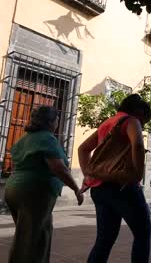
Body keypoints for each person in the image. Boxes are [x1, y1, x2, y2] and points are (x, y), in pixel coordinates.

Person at [78, 94, 151, 263]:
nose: (143, 125)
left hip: (100, 189)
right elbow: (138, 145)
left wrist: (88, 175)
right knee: (143, 233)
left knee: (104, 240)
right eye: (144, 121)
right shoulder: (132, 121)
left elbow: (83, 149)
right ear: (139, 112)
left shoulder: (107, 123)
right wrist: (138, 174)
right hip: (122, 186)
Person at [4, 106, 84, 263]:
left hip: (14, 189)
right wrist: (76, 189)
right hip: (34, 193)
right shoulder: (47, 138)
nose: (58, 123)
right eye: (57, 120)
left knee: (26, 235)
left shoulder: (24, 139)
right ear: (50, 122)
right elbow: (58, 168)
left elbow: (17, 165)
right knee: (34, 239)